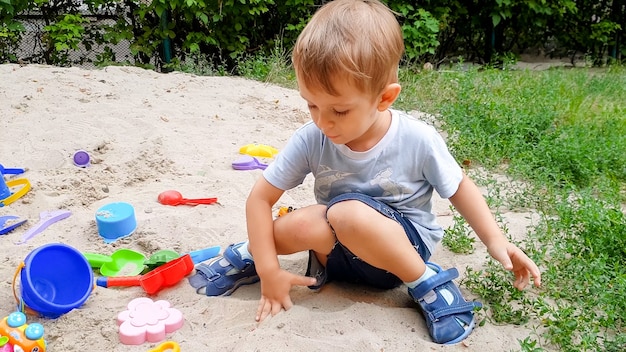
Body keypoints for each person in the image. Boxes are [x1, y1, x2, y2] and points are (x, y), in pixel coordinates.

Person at [189, 0, 541, 345]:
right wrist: (269, 269)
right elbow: (260, 198)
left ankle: (428, 284)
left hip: (399, 258)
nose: (323, 121)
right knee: (307, 221)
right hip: (336, 255)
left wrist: (497, 241)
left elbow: (460, 188)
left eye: (339, 110)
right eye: (311, 104)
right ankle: (253, 253)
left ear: (384, 99)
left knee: (346, 212)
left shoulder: (417, 139)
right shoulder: (313, 137)